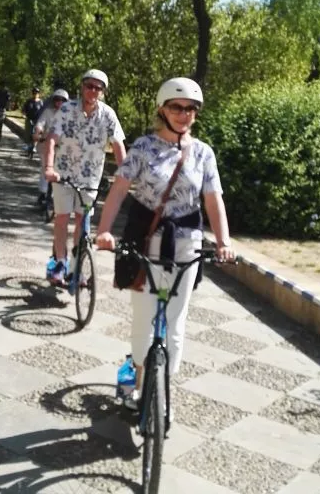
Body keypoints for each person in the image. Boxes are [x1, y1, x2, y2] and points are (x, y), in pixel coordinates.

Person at [95, 77, 236, 409]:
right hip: (146, 243)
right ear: (163, 108)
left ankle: (161, 393)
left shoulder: (203, 153)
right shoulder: (143, 147)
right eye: (177, 107)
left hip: (187, 245)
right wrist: (104, 231)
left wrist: (224, 242)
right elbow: (118, 190)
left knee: (175, 322)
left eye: (190, 109)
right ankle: (139, 377)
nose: (184, 114)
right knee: (144, 319)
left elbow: (214, 201)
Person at [44, 69, 126, 285]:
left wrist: (124, 174)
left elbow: (118, 145)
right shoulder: (67, 109)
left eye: (97, 88)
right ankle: (60, 262)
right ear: (82, 86)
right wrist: (50, 168)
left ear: (103, 92)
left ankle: (76, 267)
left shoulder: (108, 114)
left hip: (90, 178)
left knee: (82, 219)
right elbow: (52, 140)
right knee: (62, 218)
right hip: (62, 174)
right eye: (89, 86)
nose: (92, 91)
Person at [33, 89, 69, 205]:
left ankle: (55, 195)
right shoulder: (48, 112)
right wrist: (38, 132)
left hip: (62, 148)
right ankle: (43, 193)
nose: (59, 102)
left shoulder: (69, 115)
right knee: (45, 168)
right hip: (46, 144)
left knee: (59, 171)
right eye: (57, 99)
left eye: (62, 100)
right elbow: (40, 123)